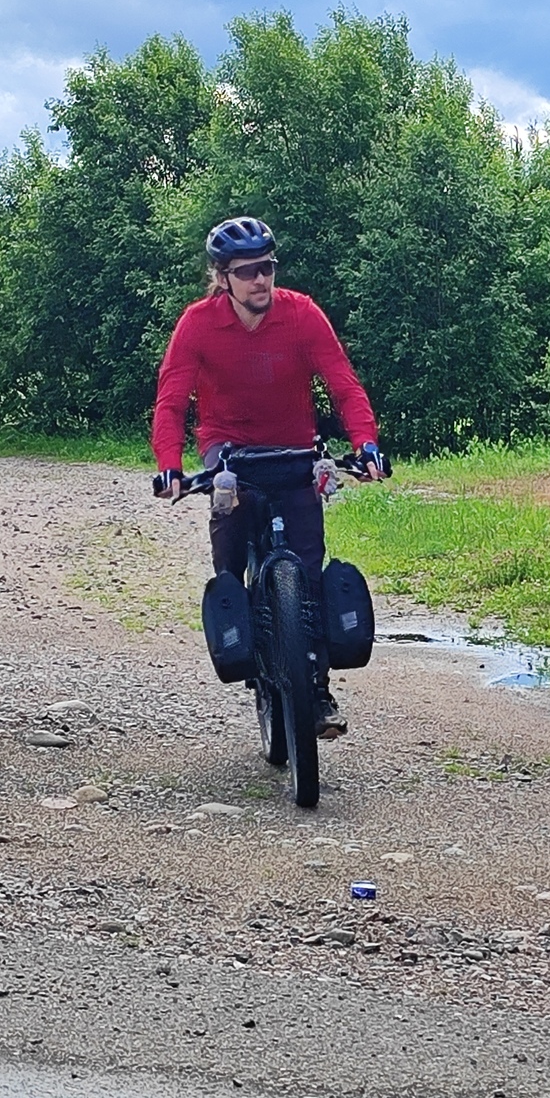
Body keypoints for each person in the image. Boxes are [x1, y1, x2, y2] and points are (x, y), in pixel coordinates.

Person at [151, 216, 384, 737]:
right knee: (230, 538)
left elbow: (344, 384)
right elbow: (171, 401)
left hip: (295, 446)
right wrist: (170, 463)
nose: (261, 280)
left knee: (307, 565)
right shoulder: (197, 324)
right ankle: (244, 630)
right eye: (249, 271)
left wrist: (366, 444)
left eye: (268, 268)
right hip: (228, 449)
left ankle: (317, 689)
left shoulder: (302, 316)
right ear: (223, 278)